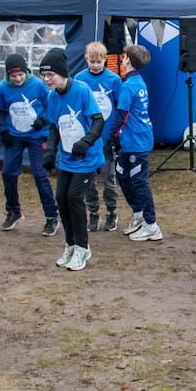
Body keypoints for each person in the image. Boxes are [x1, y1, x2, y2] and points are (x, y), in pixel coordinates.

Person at [39, 47, 106, 270]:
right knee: (61, 199)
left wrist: (86, 142)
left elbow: (98, 120)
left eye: (50, 75)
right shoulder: (52, 96)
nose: (46, 79)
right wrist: (50, 151)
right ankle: (70, 244)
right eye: (43, 75)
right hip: (67, 157)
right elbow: (53, 126)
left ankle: (82, 248)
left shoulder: (82, 90)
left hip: (86, 158)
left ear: (62, 73)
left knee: (74, 198)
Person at [0, 53, 60, 235]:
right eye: (13, 76)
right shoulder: (3, 88)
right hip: (14, 136)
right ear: (8, 75)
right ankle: (13, 211)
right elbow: (0, 110)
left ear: (26, 71)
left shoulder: (38, 85)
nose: (17, 79)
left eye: (20, 75)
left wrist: (43, 119)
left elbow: (51, 105)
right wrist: (3, 130)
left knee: (40, 174)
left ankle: (51, 216)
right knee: (8, 173)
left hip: (37, 136)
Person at [109, 45, 163, 242]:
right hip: (132, 139)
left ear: (128, 60)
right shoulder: (137, 81)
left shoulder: (129, 86)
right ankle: (138, 214)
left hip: (136, 140)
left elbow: (122, 115)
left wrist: (111, 137)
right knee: (122, 173)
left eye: (124, 57)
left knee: (139, 181)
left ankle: (151, 225)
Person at [74, 42, 122, 233]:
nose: (95, 65)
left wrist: (116, 136)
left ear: (105, 60)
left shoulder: (114, 80)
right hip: (88, 139)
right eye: (92, 61)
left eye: (99, 62)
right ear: (86, 59)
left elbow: (120, 108)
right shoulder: (79, 79)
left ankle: (112, 211)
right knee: (89, 179)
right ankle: (93, 212)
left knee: (109, 178)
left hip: (107, 137)